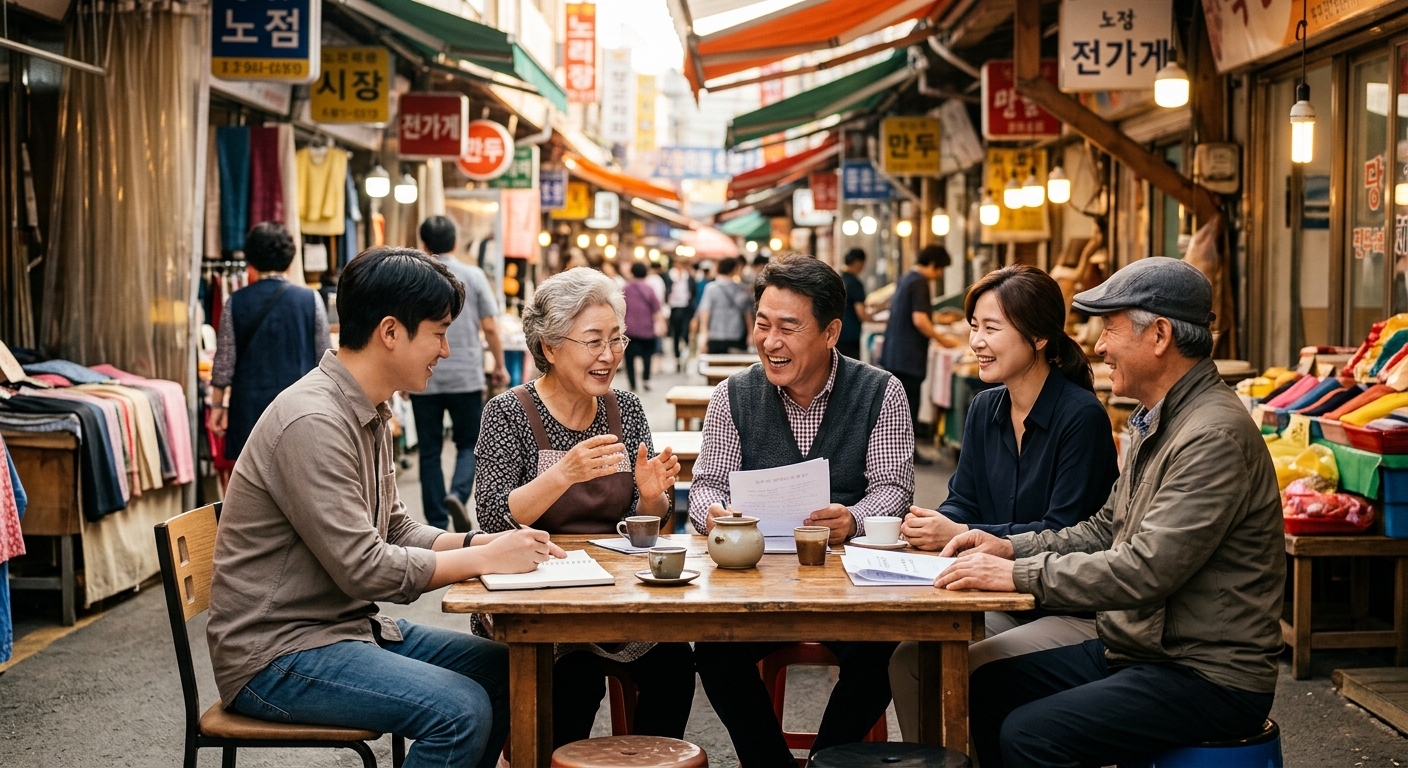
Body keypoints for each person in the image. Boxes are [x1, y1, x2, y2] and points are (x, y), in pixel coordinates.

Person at [207, 247, 564, 768]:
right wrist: (485, 558)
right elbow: (365, 568)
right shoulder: (313, 421)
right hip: (276, 655)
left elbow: (394, 528)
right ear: (391, 331)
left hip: (342, 631)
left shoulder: (368, 407)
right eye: (438, 332)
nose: (446, 350)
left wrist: (478, 542)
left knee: (511, 669)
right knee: (460, 710)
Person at [934, 257, 1284, 767]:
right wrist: (1007, 546)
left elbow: (1146, 568)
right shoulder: (1157, 419)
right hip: (1141, 648)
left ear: (1159, 335)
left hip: (1205, 672)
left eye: (1111, 329)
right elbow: (1104, 529)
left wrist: (1016, 572)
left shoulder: (1211, 435)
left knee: (1030, 735)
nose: (1098, 347)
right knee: (984, 685)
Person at [690, 253, 915, 766]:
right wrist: (714, 513)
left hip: (849, 585)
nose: (771, 342)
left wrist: (853, 518)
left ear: (831, 332)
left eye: (788, 328)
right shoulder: (732, 395)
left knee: (883, 651)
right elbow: (706, 485)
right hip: (757, 583)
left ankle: (826, 760)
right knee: (714, 650)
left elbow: (893, 489)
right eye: (763, 324)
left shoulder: (880, 391)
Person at [887, 265, 1119, 741]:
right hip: (997, 597)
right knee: (908, 659)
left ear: (1038, 337)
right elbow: (963, 500)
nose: (976, 341)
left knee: (968, 666)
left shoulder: (1081, 417)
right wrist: (936, 524)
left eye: (991, 328)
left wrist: (968, 535)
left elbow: (1066, 530)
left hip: (1066, 608)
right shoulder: (984, 407)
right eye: (974, 326)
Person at [473, 267, 696, 749]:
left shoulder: (626, 409)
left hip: (617, 598)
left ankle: (644, 763)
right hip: (537, 600)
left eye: (616, 339)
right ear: (550, 347)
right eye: (593, 341)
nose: (608, 355)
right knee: (574, 678)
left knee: (676, 665)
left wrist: (652, 496)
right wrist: (563, 474)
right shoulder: (508, 412)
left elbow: (649, 525)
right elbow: (492, 517)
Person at [412, 215, 509, 532]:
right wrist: (499, 364)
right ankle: (458, 493)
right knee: (469, 443)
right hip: (466, 375)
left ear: (424, 243)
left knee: (429, 451)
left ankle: (437, 521)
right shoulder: (473, 275)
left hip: (423, 375)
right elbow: (490, 327)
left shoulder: (415, 277)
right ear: (455, 242)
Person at [209, 221, 331, 461]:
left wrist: (217, 407)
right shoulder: (310, 299)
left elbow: (224, 362)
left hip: (249, 412)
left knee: (252, 477)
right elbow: (324, 360)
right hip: (298, 410)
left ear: (251, 259)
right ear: (290, 258)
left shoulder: (236, 302)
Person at [878, 245, 961, 466]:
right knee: (907, 406)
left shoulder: (907, 277)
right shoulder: (919, 282)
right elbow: (920, 320)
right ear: (933, 264)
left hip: (895, 354)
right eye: (940, 269)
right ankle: (907, 453)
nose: (939, 275)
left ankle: (895, 451)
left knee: (897, 405)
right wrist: (942, 339)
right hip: (908, 356)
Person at [697, 256, 753, 354]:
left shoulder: (711, 288)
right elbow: (747, 313)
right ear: (734, 269)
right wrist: (750, 333)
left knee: (714, 362)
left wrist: (704, 334)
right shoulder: (741, 289)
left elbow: (705, 312)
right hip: (736, 335)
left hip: (715, 335)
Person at [623, 261, 662, 391]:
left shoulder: (626, 288)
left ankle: (632, 383)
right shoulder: (649, 288)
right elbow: (656, 308)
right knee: (647, 356)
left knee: (629, 358)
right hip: (647, 328)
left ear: (632, 272)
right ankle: (645, 379)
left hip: (630, 329)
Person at [664, 258, 698, 371]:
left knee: (686, 333)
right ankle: (677, 359)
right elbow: (666, 291)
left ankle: (686, 357)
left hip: (686, 309)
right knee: (676, 335)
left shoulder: (688, 278)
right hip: (674, 309)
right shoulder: (670, 277)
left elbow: (693, 293)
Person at [838, 248, 871, 360]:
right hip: (850, 337)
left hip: (837, 335)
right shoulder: (855, 283)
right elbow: (862, 314)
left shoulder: (838, 279)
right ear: (857, 262)